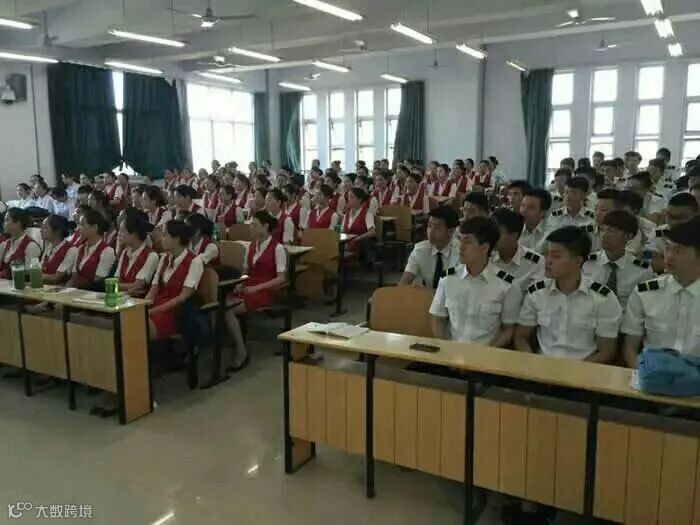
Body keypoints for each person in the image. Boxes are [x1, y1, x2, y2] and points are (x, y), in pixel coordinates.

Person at [514, 226, 621, 363]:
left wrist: (575, 372)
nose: (548, 261)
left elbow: (606, 352)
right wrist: (533, 363)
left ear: (578, 260)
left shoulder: (603, 298)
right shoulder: (537, 292)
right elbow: (521, 337)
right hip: (541, 367)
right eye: (547, 254)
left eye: (556, 256)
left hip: (583, 369)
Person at [429, 217, 522, 346]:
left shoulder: (507, 285)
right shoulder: (448, 278)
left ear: (484, 247)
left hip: (487, 353)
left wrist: (488, 353)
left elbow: (508, 330)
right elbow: (438, 318)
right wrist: (445, 349)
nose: (460, 247)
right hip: (451, 352)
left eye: (467, 242)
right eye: (460, 240)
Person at [622, 216, 700, 364]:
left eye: (679, 251)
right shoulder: (645, 293)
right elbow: (630, 347)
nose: (669, 257)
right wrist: (641, 373)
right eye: (668, 248)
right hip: (652, 374)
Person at [225, 211, 287, 371]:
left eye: (254, 224)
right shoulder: (251, 246)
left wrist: (256, 288)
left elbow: (280, 279)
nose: (250, 227)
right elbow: (245, 272)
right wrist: (240, 283)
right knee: (221, 302)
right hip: (249, 287)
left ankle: (241, 351)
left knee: (227, 309)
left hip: (264, 290)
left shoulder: (278, 248)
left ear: (265, 226)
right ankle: (234, 340)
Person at [583, 210, 655, 309]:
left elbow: (644, 306)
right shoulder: (586, 263)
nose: (604, 235)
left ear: (628, 236)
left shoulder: (642, 271)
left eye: (611, 231)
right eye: (602, 230)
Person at [147, 220, 204, 340]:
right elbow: (153, 289)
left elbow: (182, 298)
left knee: (142, 326)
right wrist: (142, 307)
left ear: (176, 239)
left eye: (165, 235)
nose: (161, 239)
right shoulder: (164, 258)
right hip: (157, 305)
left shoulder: (195, 261)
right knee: (130, 318)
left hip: (175, 311)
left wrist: (154, 311)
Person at [400, 206, 460, 290]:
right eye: (429, 226)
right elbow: (403, 284)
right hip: (428, 296)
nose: (430, 232)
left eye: (436, 228)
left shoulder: (461, 252)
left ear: (451, 231)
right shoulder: (420, 250)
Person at [490, 208, 545, 291]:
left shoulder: (535, 263)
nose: (492, 237)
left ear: (514, 236)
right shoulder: (485, 257)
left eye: (497, 234)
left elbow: (537, 295)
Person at [646, 192, 699, 273]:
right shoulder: (659, 232)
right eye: (669, 216)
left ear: (695, 214)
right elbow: (647, 256)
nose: (673, 222)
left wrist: (664, 264)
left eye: (680, 217)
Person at [66, 209, 116, 290]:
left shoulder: (107, 251)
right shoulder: (81, 248)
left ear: (94, 227)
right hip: (76, 291)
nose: (78, 228)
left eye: (82, 224)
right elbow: (73, 278)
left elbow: (98, 281)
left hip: (91, 292)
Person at [114, 212, 158, 297]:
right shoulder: (124, 253)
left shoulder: (151, 256)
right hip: (121, 297)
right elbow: (114, 282)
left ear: (134, 234)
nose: (119, 233)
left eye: (122, 230)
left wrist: (117, 287)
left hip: (137, 301)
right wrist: (126, 289)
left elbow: (138, 285)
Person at [0, 208, 42, 279]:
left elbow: (30, 274)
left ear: (18, 223)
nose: (3, 224)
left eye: (7, 220)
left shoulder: (31, 246)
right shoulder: (5, 244)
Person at [40, 214, 76, 284]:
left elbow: (57, 277)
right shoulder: (48, 247)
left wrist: (35, 275)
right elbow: (40, 270)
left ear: (57, 231)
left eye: (45, 228)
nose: (41, 230)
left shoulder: (71, 250)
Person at [518, 188, 552, 253]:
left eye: (530, 207)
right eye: (522, 205)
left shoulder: (551, 231)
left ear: (543, 213)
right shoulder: (512, 229)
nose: (523, 210)